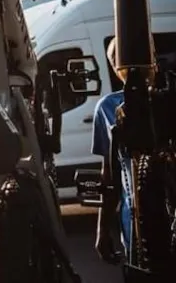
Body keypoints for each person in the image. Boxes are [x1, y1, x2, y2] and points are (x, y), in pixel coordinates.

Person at [92, 38, 134, 264]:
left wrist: (102, 230)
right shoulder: (108, 108)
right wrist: (102, 229)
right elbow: (109, 176)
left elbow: (108, 176)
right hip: (135, 226)